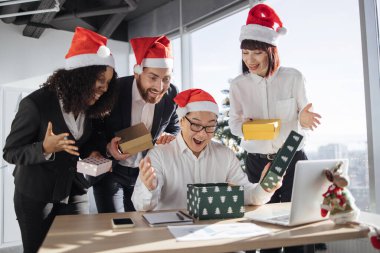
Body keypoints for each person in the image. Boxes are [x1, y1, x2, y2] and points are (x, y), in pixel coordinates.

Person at [2, 27, 118, 253]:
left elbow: (87, 140)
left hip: (73, 190)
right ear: (80, 75)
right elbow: (10, 152)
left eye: (108, 83)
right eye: (100, 80)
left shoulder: (88, 107)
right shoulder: (35, 105)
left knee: (79, 248)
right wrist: (44, 148)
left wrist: (93, 153)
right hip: (35, 196)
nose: (104, 89)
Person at [228, 4, 321, 253]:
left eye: (256, 53)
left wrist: (303, 118)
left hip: (292, 160)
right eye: (245, 53)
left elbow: (303, 118)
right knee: (263, 228)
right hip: (257, 163)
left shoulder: (294, 78)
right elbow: (235, 126)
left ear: (270, 50)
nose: (250, 60)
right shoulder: (238, 85)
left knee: (297, 230)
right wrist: (255, 129)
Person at [132, 88, 282, 211]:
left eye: (210, 126)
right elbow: (141, 206)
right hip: (171, 235)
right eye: (196, 125)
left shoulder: (225, 155)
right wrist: (149, 188)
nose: (203, 133)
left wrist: (265, 188)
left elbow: (247, 195)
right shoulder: (159, 155)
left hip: (211, 233)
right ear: (182, 121)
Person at [90, 35, 180, 213]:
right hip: (111, 172)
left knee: (140, 228)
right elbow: (91, 129)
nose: (160, 86)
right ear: (137, 72)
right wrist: (107, 147)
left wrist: (170, 136)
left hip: (143, 175)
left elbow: (174, 126)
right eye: (153, 77)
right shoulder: (114, 90)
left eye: (166, 79)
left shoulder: (171, 94)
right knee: (113, 228)